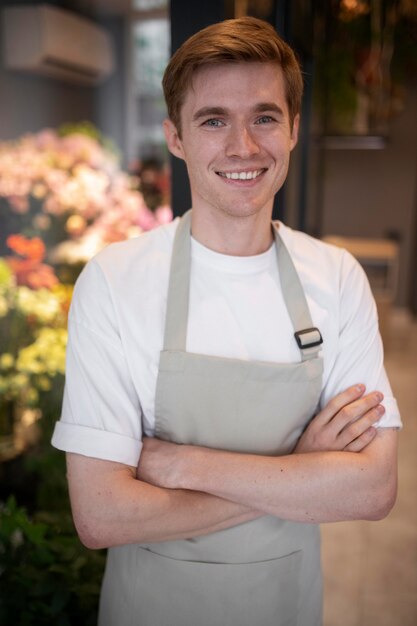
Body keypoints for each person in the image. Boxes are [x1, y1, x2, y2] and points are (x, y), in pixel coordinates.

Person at [51, 16, 401, 626]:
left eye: (264, 117)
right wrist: (301, 465)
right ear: (177, 138)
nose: (243, 145)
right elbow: (102, 516)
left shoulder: (338, 278)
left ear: (293, 129)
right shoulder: (114, 283)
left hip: (286, 606)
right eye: (214, 120)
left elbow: (371, 491)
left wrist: (179, 465)